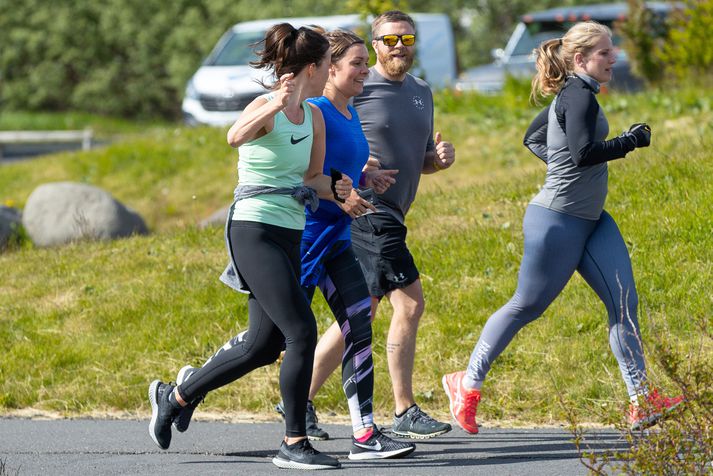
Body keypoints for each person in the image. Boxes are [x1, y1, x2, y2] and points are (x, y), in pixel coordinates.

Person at [442, 21, 684, 435]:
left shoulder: (579, 94)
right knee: (527, 305)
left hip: (592, 220)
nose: (614, 57)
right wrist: (630, 141)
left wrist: (561, 165)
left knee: (623, 303)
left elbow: (534, 137)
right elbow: (584, 152)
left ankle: (641, 400)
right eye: (605, 52)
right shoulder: (578, 96)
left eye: (613, 50)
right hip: (556, 222)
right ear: (580, 59)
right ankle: (466, 381)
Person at [146, 23, 353, 471]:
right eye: (328, 66)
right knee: (301, 331)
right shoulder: (266, 106)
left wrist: (337, 184)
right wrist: (274, 104)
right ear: (314, 68)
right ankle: (293, 442)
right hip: (253, 229)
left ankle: (175, 396)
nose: (331, 73)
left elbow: (310, 179)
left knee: (264, 344)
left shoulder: (314, 117)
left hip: (289, 232)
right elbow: (234, 137)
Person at [305, 10, 457, 440]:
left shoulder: (422, 92)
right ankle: (403, 409)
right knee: (407, 304)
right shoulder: (356, 85)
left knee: (363, 311)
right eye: (390, 41)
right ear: (375, 46)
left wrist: (438, 161)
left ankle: (300, 398)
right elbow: (324, 125)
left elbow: (421, 159)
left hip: (393, 212)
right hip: (367, 209)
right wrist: (352, 166)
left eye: (407, 41)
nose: (398, 49)